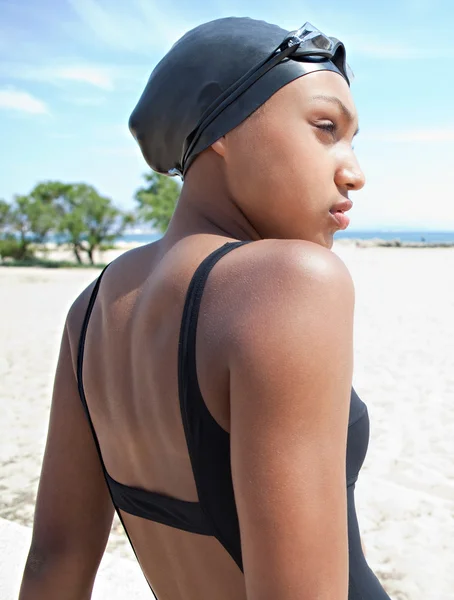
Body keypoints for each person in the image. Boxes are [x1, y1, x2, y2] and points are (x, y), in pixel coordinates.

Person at [19, 17, 391, 600]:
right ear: (223, 126)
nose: (355, 172)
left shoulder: (91, 309)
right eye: (325, 127)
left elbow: (53, 562)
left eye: (352, 139)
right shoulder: (292, 282)